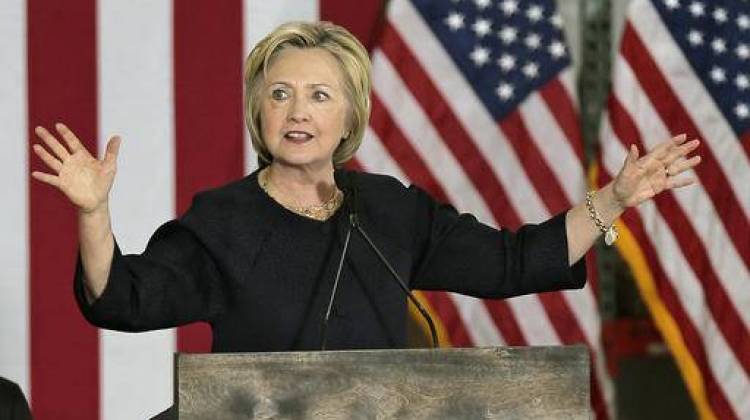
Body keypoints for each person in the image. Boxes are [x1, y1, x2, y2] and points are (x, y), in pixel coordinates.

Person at [31, 21, 701, 351]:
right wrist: (95, 213)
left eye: (320, 95)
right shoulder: (222, 221)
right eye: (281, 94)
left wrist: (611, 201)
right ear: (258, 113)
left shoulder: (389, 210)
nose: (298, 112)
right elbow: (122, 298)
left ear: (349, 115)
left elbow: (514, 262)